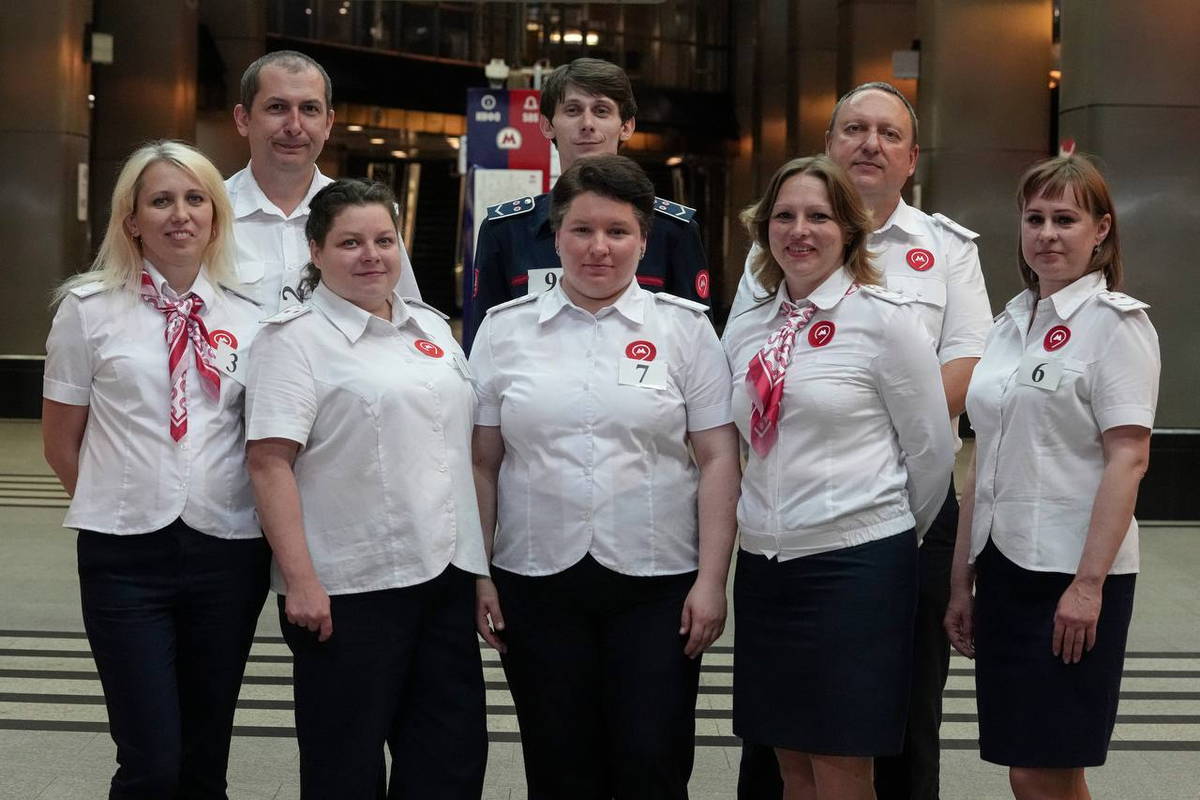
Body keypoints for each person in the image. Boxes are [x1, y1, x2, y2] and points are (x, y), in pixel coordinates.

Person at [731, 82, 993, 800]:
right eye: (854, 129)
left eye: (888, 133)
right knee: (783, 742)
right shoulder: (766, 270)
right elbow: (740, 384)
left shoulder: (943, 248)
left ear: (912, 157)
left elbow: (963, 368)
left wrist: (880, 444)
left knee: (897, 711)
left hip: (889, 519)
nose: (870, 143)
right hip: (779, 529)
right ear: (829, 144)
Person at [469, 154, 740, 799]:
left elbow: (718, 458)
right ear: (556, 236)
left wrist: (712, 581)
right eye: (582, 230)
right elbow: (481, 461)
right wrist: (478, 573)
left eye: (618, 231)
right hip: (535, 577)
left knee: (652, 758)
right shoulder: (505, 331)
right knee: (558, 764)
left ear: (644, 240)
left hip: (658, 582)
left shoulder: (686, 330)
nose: (599, 247)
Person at [243, 178, 487, 798]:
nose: (371, 255)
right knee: (344, 767)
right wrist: (300, 580)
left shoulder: (430, 328)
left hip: (444, 578)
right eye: (350, 242)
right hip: (349, 589)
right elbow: (269, 464)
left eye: (384, 240)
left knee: (449, 760)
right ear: (316, 251)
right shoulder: (292, 341)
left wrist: (480, 571)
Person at [41, 140, 270, 798]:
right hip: (123, 558)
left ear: (216, 217)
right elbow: (60, 441)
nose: (180, 214)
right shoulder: (87, 311)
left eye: (196, 199)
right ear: (132, 219)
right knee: (151, 759)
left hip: (227, 551)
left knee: (205, 757)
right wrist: (119, 505)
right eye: (161, 201)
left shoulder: (253, 319)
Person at [944, 155, 1158, 800]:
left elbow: (1129, 459)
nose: (1046, 234)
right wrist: (962, 581)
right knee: (1034, 763)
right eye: (1034, 218)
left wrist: (1088, 587)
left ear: (1101, 230)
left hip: (1073, 574)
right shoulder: (1009, 324)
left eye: (1065, 219)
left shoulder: (1117, 325)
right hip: (1005, 568)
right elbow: (984, 459)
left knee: (1041, 768)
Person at [465, 57, 710, 351]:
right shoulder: (505, 231)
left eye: (602, 110)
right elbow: (485, 346)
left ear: (627, 126)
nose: (587, 124)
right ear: (547, 125)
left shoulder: (673, 231)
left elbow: (695, 346)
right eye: (573, 110)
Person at [227, 50, 420, 312]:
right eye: (277, 107)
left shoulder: (369, 216)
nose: (294, 126)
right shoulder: (207, 215)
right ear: (243, 119)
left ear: (328, 123)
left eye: (309, 109)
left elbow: (404, 317)